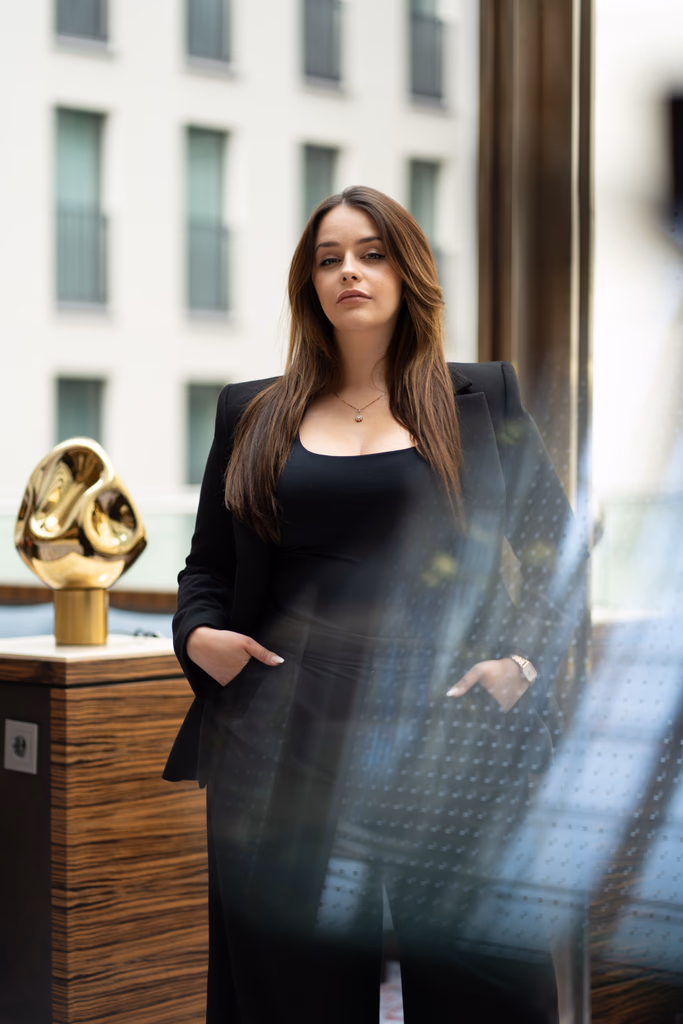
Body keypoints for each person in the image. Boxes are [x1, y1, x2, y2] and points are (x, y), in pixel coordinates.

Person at [163, 186, 584, 1023]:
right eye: (328, 258)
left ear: (407, 273)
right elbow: (205, 568)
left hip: (450, 728)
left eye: (370, 253)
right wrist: (199, 637)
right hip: (283, 734)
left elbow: (557, 556)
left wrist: (519, 662)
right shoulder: (249, 411)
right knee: (291, 991)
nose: (348, 271)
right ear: (308, 284)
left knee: (481, 985)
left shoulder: (483, 399)